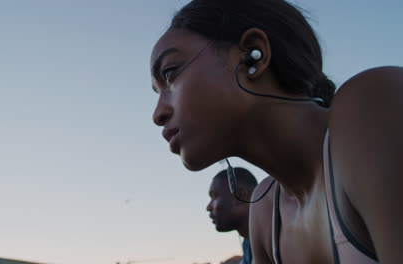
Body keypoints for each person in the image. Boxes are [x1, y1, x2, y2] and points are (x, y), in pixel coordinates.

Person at [149, 0, 403, 263]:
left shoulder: (373, 105)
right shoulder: (265, 210)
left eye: (170, 73)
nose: (158, 114)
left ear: (253, 53)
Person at [207, 168, 258, 264]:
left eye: (214, 196)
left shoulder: (276, 240)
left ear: (240, 195)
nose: (208, 207)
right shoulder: (248, 243)